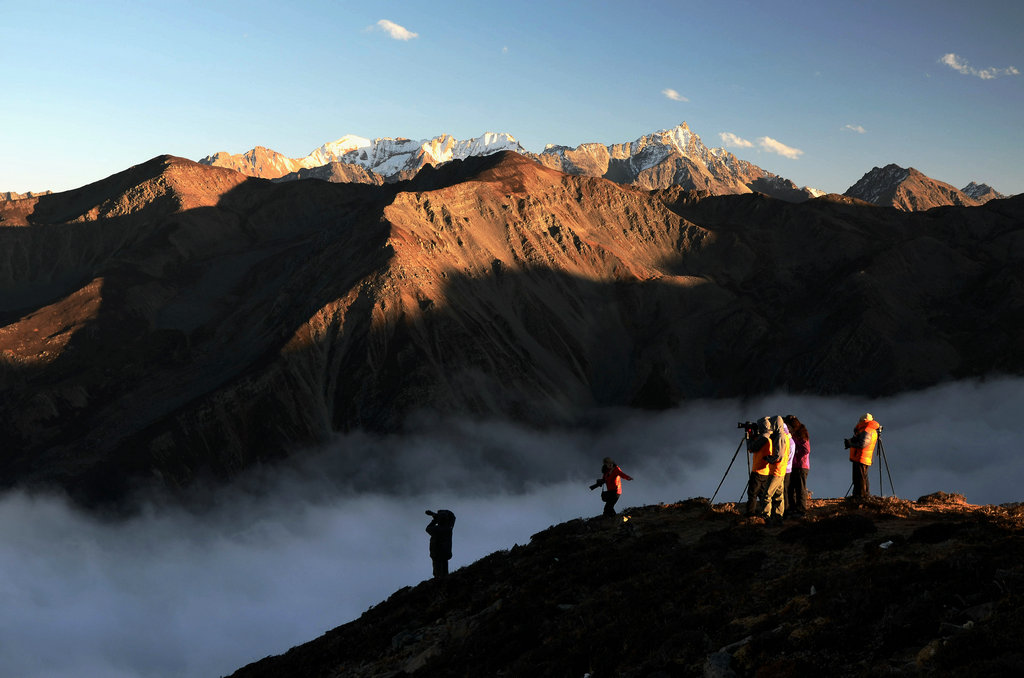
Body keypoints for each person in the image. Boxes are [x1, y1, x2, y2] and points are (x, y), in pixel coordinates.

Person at [763, 415, 791, 524]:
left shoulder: (780, 437)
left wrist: (769, 459)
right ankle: (778, 517)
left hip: (776, 470)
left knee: (767, 495)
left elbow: (778, 455)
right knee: (779, 496)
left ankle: (765, 516)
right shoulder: (785, 436)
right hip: (782, 470)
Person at [847, 413, 881, 499]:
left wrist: (850, 443)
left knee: (859, 477)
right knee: (863, 477)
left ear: (863, 421)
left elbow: (862, 444)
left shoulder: (867, 430)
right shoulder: (870, 429)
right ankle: (864, 494)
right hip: (863, 457)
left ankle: (860, 496)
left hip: (861, 457)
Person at [744, 417, 773, 517]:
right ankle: (765, 513)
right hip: (766, 470)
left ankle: (750, 513)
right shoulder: (771, 436)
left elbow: (751, 448)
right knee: (762, 494)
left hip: (758, 470)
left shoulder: (764, 438)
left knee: (752, 494)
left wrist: (748, 437)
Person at [784, 414, 810, 516]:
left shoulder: (801, 434)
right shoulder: (797, 433)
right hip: (795, 465)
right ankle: (793, 508)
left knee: (800, 489)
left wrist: (795, 454)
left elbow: (806, 449)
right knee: (791, 488)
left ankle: (801, 510)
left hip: (801, 466)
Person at [425, 509, 456, 578]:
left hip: (436, 554)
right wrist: (437, 514)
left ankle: (438, 584)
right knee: (445, 572)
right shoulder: (449, 528)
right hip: (445, 553)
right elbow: (453, 517)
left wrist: (435, 519)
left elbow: (427, 528)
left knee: (438, 574)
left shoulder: (436, 529)